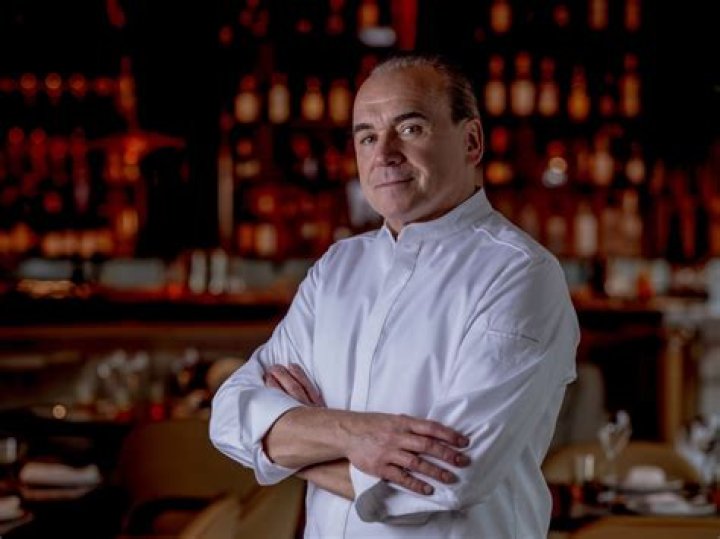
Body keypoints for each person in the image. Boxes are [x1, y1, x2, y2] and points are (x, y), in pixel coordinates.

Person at [210, 53, 579, 538]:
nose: (383, 153)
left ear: (471, 141)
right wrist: (354, 435)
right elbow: (229, 416)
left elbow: (447, 478)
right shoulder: (336, 269)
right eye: (366, 136)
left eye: (410, 129)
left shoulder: (520, 274)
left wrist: (290, 449)